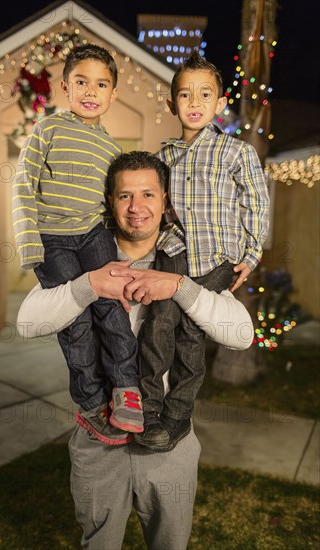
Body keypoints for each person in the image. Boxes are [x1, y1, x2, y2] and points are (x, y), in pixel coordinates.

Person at [17, 151, 254, 549]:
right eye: (125, 196)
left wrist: (179, 288)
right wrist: (90, 284)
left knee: (170, 542)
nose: (137, 207)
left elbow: (242, 334)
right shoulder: (86, 260)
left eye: (147, 194)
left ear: (165, 201)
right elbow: (27, 323)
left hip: (169, 446)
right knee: (99, 542)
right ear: (110, 202)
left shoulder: (188, 260)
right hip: (98, 438)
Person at [114, 53, 270, 449]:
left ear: (220, 103)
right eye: (185, 95)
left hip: (216, 257)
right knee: (157, 328)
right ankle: (148, 414)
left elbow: (256, 203)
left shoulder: (237, 153)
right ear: (172, 104)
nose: (195, 102)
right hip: (174, 253)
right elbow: (153, 206)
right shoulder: (162, 156)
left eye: (205, 95)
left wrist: (251, 255)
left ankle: (177, 416)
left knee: (189, 338)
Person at [12, 45, 142, 435]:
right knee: (76, 320)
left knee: (111, 310)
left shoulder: (112, 149)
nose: (90, 91)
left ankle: (126, 388)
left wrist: (123, 248)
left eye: (101, 84)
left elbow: (111, 203)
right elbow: (23, 185)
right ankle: (89, 402)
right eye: (81, 82)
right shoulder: (48, 129)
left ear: (112, 94)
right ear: (66, 87)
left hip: (93, 236)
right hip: (53, 240)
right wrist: (30, 243)